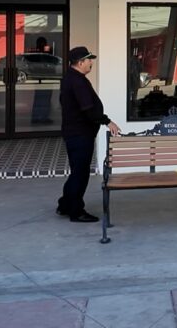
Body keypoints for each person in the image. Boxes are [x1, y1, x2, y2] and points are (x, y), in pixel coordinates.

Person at [56, 46, 120, 223]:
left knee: (77, 171)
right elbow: (88, 109)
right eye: (89, 60)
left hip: (74, 132)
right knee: (81, 173)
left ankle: (65, 204)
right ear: (80, 62)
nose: (91, 63)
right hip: (80, 134)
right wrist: (107, 121)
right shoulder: (77, 81)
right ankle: (76, 211)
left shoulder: (70, 78)